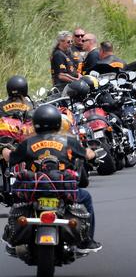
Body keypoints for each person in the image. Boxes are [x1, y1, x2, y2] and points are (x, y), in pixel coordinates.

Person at [1, 104, 102, 252]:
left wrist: (3, 148)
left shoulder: (27, 143)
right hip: (63, 189)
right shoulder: (68, 141)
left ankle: (11, 237)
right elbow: (87, 154)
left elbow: (11, 158)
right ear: (58, 121)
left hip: (34, 190)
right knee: (86, 198)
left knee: (17, 200)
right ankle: (86, 242)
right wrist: (94, 155)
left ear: (35, 122)